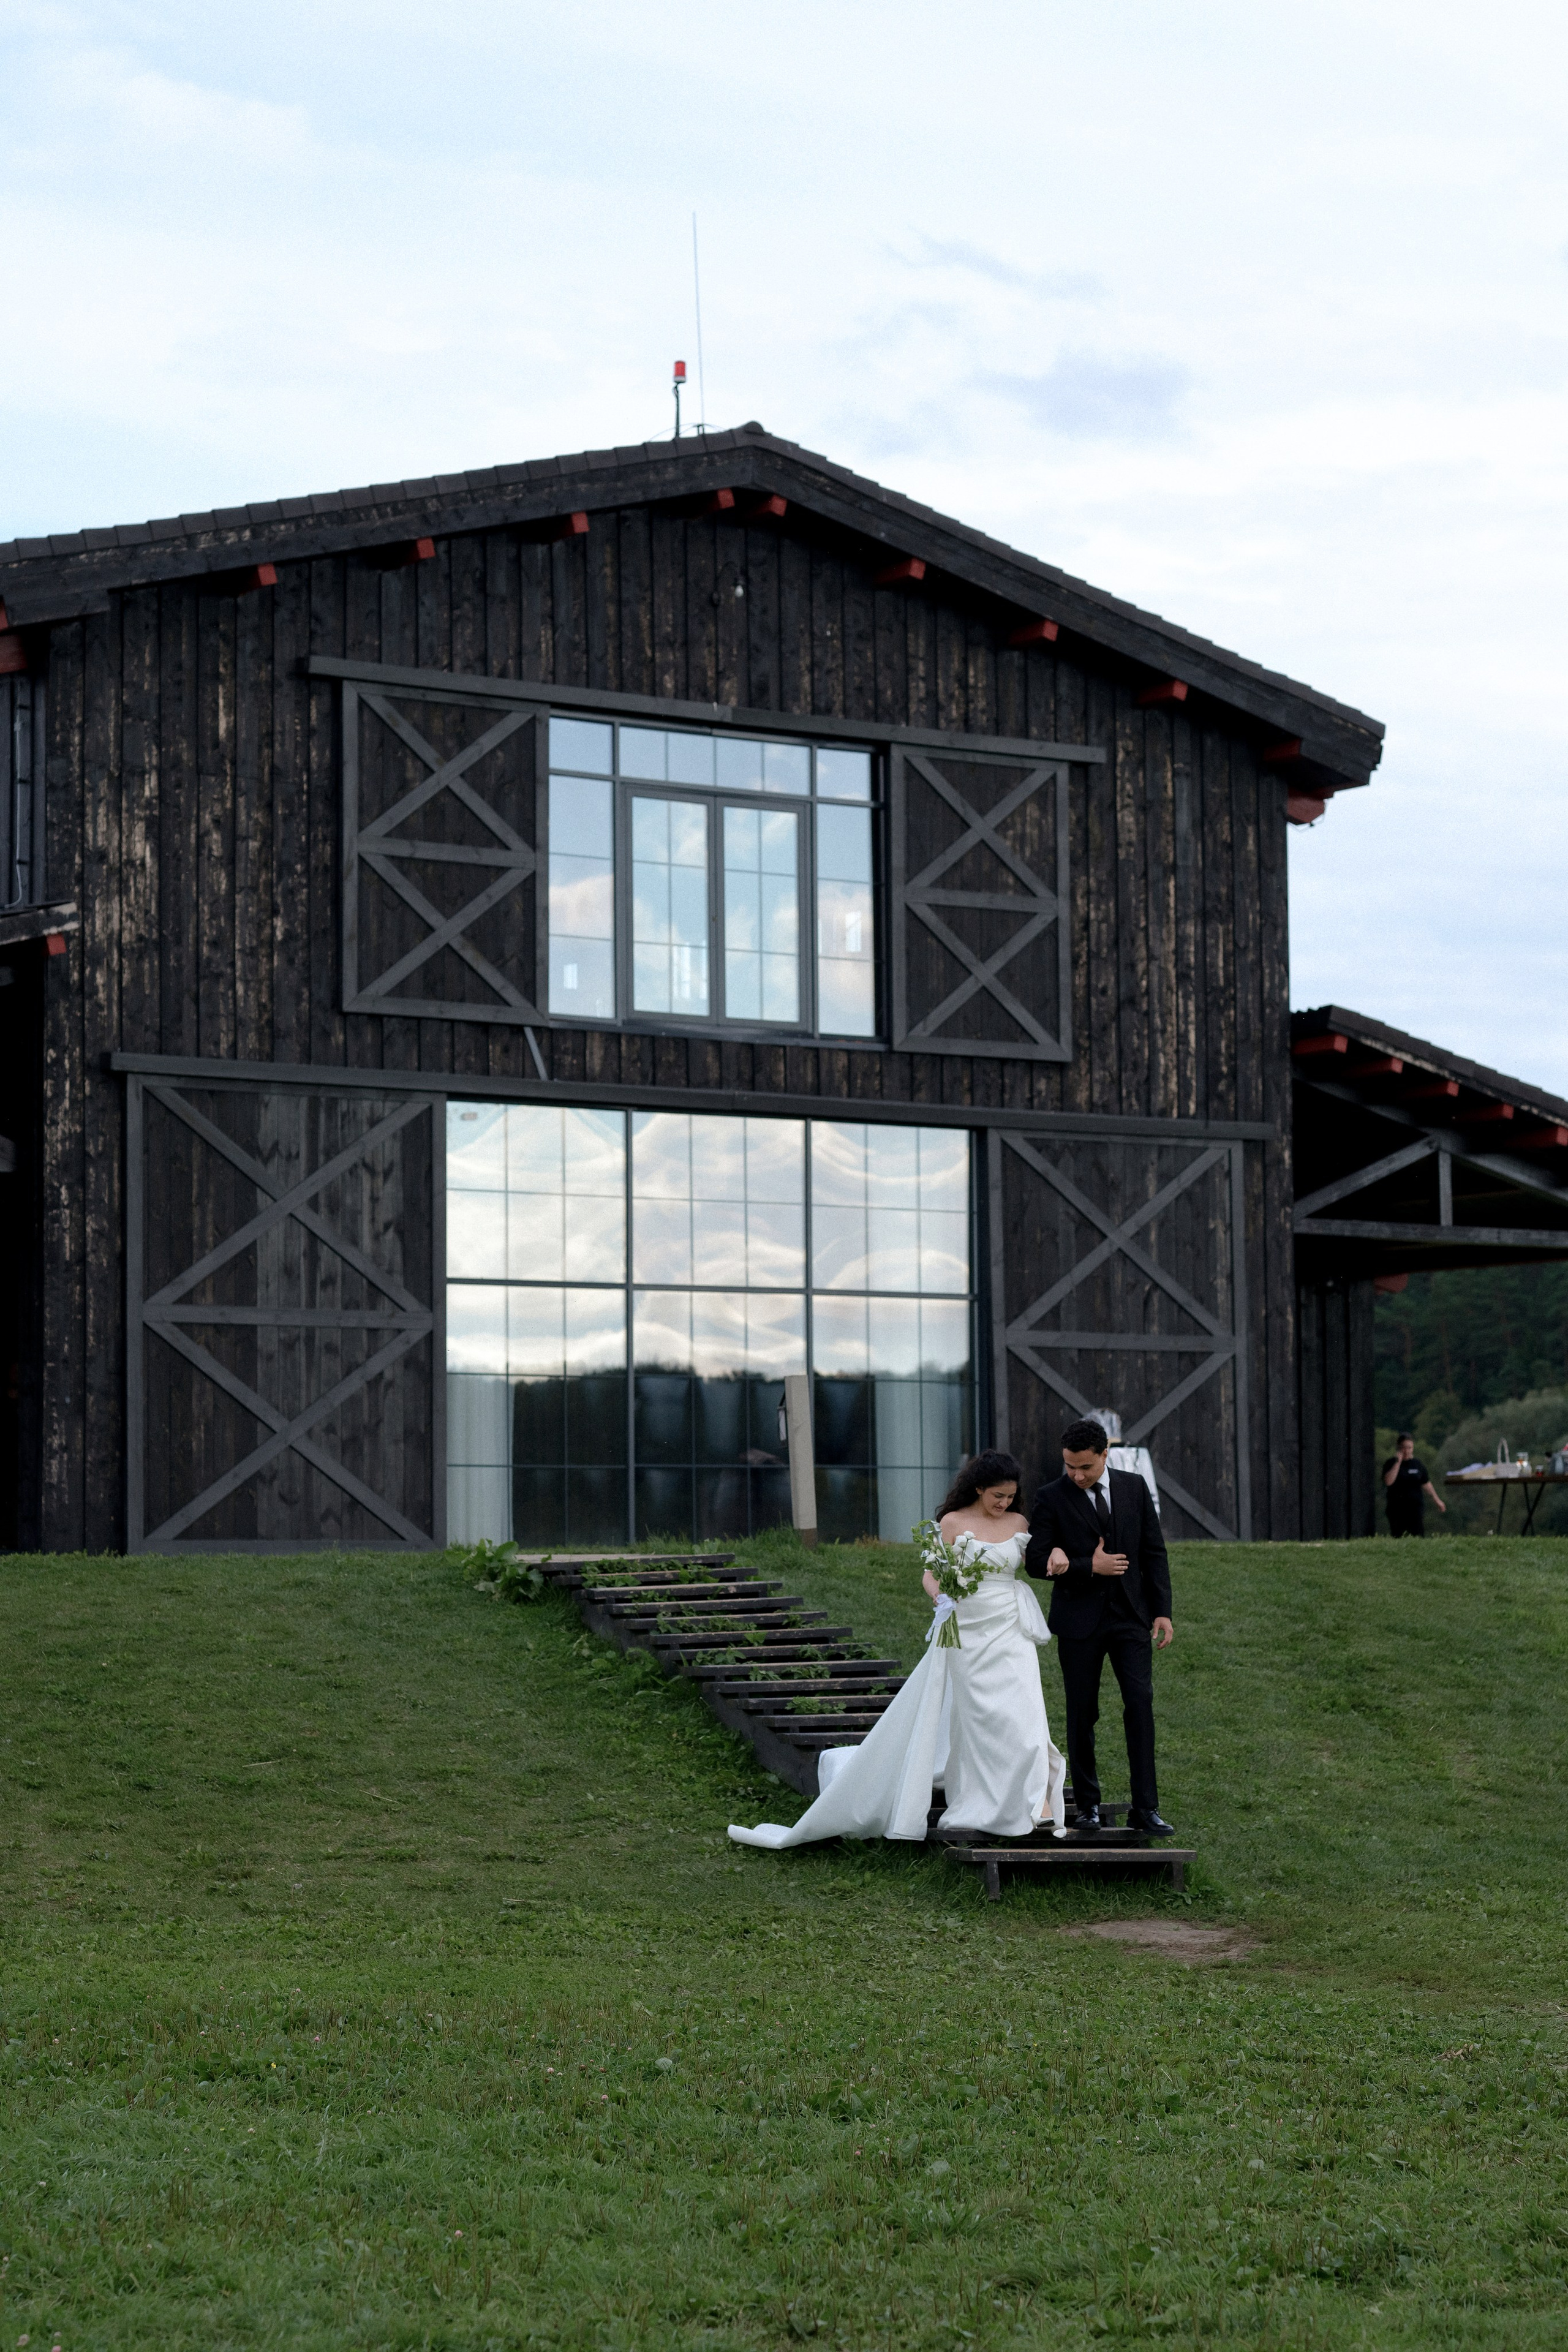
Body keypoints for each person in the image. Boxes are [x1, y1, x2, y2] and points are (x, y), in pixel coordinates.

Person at [728, 1449, 1067, 1851]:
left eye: (1010, 1496)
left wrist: (1059, 1555)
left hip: (1011, 1627)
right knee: (982, 1721)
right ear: (979, 1488)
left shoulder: (1020, 1522)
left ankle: (1039, 1806)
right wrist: (942, 1598)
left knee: (1026, 1715)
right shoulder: (952, 1523)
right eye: (997, 1496)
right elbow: (932, 1575)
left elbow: (1038, 1559)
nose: (1004, 1504)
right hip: (968, 1632)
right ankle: (990, 1800)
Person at [1025, 1416, 1175, 1838]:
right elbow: (1037, 1561)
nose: (1076, 1475)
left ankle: (1146, 1809)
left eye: (1085, 1467)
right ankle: (1087, 1807)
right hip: (1079, 1622)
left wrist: (1162, 1611)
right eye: (1070, 1466)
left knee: (1140, 1707)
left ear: (1105, 1455)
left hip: (1131, 1618)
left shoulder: (1133, 1488)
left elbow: (1153, 1552)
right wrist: (1088, 1565)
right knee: (1081, 1713)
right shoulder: (1050, 1497)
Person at [1382, 1434, 1446, 1536]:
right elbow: (1389, 1482)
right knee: (1399, 1536)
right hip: (1397, 1509)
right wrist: (1397, 1463)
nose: (1407, 1451)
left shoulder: (1417, 1464)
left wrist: (1437, 1500)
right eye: (1404, 1448)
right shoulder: (1390, 1463)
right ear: (1399, 1448)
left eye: (1410, 1448)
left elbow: (1426, 1483)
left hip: (1415, 1508)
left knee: (1418, 1535)